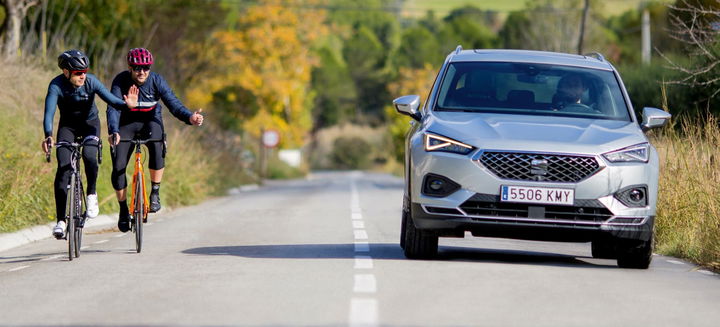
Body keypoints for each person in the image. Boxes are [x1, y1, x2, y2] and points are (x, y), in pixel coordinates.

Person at [42, 49, 139, 239]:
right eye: (78, 73)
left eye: (85, 71)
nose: (83, 76)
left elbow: (111, 101)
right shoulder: (56, 85)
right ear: (66, 72)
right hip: (67, 127)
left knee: (89, 156)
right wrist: (48, 135)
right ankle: (61, 220)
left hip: (90, 125)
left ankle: (91, 194)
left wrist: (127, 104)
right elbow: (49, 113)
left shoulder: (91, 82)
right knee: (63, 168)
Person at [107, 48, 204, 233]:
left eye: (145, 67)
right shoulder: (121, 81)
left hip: (150, 121)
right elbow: (112, 108)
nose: (141, 72)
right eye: (136, 68)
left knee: (158, 144)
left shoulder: (156, 81)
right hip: (126, 123)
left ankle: (155, 193)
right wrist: (113, 131)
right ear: (130, 67)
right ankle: (122, 210)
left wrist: (190, 117)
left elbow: (173, 103)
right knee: (118, 166)